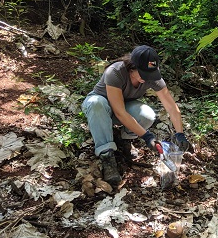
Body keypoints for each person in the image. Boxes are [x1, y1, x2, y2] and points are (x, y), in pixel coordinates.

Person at [81, 45, 190, 187]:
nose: (147, 78)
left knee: (148, 115)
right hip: (101, 108)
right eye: (143, 74)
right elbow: (119, 112)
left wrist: (180, 134)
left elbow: (171, 106)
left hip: (125, 106)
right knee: (97, 103)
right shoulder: (115, 72)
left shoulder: (151, 76)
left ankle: (125, 140)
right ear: (132, 67)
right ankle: (106, 155)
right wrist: (147, 137)